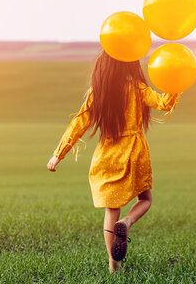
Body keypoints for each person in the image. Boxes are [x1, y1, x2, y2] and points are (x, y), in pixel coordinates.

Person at [46, 50, 181, 273]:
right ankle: (127, 223)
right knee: (145, 199)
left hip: (107, 155)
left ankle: (113, 265)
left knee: (111, 211)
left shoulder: (98, 93)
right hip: (134, 152)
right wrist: (175, 84)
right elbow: (163, 103)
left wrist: (58, 154)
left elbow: (79, 124)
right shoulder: (137, 88)